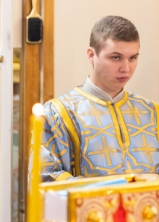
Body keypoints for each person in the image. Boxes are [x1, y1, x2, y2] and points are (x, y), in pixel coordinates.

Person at [37, 15, 159, 181]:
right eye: (115, 57)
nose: (126, 68)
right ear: (91, 55)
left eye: (133, 58)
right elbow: (45, 177)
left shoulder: (152, 112)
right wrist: (113, 190)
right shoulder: (57, 113)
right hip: (90, 199)